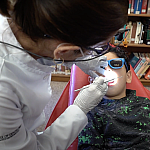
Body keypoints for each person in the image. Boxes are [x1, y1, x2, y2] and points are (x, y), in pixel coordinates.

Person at [0, 0, 128, 149]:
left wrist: (81, 57)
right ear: (64, 51)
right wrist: (79, 109)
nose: (97, 53)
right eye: (98, 48)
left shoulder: (28, 16)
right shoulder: (4, 90)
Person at [78, 47, 150, 150]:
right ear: (92, 80)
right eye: (101, 67)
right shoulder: (92, 113)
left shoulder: (146, 105)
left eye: (115, 64)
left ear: (128, 76)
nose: (108, 70)